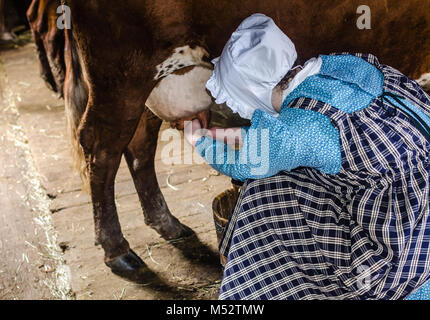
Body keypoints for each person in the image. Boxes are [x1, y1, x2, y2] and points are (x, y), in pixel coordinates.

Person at [184, 13, 430, 300]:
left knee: (264, 191)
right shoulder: (345, 69)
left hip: (406, 254)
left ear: (248, 94)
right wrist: (226, 133)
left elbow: (243, 164)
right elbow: (290, 136)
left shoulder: (299, 130)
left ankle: (266, 284)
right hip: (414, 197)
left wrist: (199, 140)